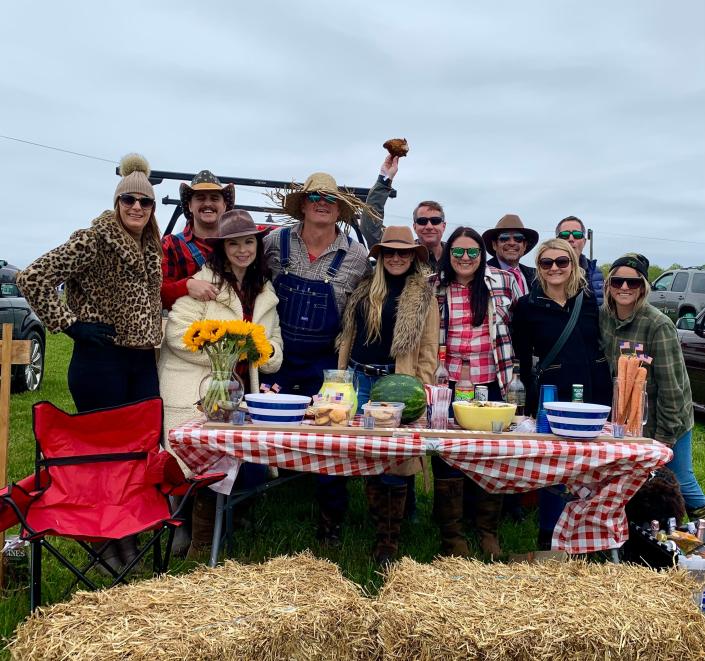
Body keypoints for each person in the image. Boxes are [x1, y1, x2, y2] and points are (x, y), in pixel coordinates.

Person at [17, 153, 163, 570]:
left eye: (145, 202)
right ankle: (104, 543)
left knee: (138, 451)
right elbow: (33, 276)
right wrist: (70, 324)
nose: (136, 207)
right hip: (101, 361)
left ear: (153, 208)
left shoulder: (150, 246)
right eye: (128, 200)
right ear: (116, 203)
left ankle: (128, 531)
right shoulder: (94, 239)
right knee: (103, 456)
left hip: (140, 361)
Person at [158, 210, 283, 557]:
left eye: (248, 242)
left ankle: (218, 532)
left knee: (234, 462)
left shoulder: (264, 291)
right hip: (195, 383)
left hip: (239, 388)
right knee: (193, 462)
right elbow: (178, 335)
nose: (242, 250)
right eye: (234, 244)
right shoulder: (204, 283)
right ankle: (183, 531)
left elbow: (274, 348)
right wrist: (223, 356)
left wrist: (258, 349)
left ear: (256, 246)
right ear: (222, 248)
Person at [264, 171, 372, 544]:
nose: (322, 204)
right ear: (303, 206)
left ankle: (331, 520)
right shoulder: (273, 243)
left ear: (340, 209)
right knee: (253, 429)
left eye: (330, 199)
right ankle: (240, 508)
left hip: (326, 363)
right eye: (315, 198)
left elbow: (370, 302)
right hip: (275, 357)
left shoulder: (357, 256)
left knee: (331, 435)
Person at [336, 226, 438, 564]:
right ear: (380, 256)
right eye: (390, 252)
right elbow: (349, 335)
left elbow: (428, 349)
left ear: (412, 257)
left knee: (396, 457)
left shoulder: (423, 294)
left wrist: (418, 385)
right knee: (364, 453)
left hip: (397, 383)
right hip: (359, 380)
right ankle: (367, 518)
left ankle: (388, 541)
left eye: (404, 252)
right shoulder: (363, 289)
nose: (396, 258)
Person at [511, 238, 612, 548]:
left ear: (573, 264)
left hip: (590, 393)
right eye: (546, 263)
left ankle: (584, 536)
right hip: (550, 395)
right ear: (539, 268)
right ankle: (548, 535)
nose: (554, 268)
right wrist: (526, 403)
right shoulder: (527, 306)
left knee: (587, 466)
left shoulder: (591, 303)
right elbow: (522, 358)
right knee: (553, 466)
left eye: (561, 262)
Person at [430, 227, 519, 557]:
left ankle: (487, 530)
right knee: (446, 454)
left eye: (472, 252)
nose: (465, 259)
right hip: (448, 382)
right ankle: (451, 534)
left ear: (482, 256)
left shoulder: (501, 282)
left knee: (490, 452)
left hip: (491, 381)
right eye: (457, 252)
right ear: (448, 254)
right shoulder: (434, 286)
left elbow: (515, 327)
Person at [600, 253, 705, 518]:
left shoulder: (658, 324)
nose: (624, 287)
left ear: (644, 287)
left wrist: (664, 441)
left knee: (678, 479)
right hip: (627, 421)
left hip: (668, 419)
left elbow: (673, 388)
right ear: (608, 285)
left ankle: (699, 524)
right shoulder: (603, 316)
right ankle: (644, 530)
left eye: (632, 283)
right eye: (618, 281)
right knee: (634, 480)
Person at [161, 170, 235, 310]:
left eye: (214, 198)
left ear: (224, 206)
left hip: (234, 329)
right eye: (200, 198)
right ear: (190, 205)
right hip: (187, 329)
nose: (208, 203)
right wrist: (187, 286)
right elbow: (158, 294)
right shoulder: (170, 244)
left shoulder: (238, 243)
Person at [360, 153, 446, 269]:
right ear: (414, 226)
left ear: (444, 226)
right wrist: (384, 179)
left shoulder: (458, 255)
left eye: (435, 221)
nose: (429, 226)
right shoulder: (401, 251)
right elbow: (370, 228)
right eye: (422, 221)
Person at [482, 214, 539, 296]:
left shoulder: (536, 275)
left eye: (518, 238)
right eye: (504, 238)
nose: (512, 243)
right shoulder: (482, 274)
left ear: (525, 245)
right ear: (494, 245)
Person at [555, 215, 603, 305]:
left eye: (577, 235)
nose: (571, 239)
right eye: (565, 235)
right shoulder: (546, 271)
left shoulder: (596, 273)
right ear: (557, 241)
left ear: (584, 242)